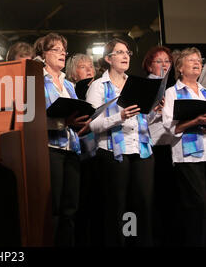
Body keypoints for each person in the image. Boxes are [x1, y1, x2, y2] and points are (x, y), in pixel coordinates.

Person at [85, 38, 154, 247]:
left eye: (128, 52)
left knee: (140, 202)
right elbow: (92, 125)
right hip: (113, 152)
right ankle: (120, 242)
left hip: (141, 150)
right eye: (120, 52)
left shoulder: (136, 84)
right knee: (118, 205)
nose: (125, 56)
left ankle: (135, 241)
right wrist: (119, 117)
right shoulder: (98, 86)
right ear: (108, 59)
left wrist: (154, 111)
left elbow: (143, 120)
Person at [35, 33, 91, 246]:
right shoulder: (36, 80)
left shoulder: (68, 84)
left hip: (71, 148)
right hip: (51, 148)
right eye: (56, 50)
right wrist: (63, 122)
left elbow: (73, 113)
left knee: (71, 207)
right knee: (55, 207)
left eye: (63, 50)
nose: (62, 54)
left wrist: (81, 120)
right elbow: (34, 119)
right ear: (43, 54)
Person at [162, 47, 206, 246]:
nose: (197, 63)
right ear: (180, 67)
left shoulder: (205, 91)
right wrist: (195, 120)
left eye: (199, 60)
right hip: (188, 156)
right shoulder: (173, 92)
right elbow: (170, 127)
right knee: (197, 204)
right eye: (191, 60)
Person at [141, 46, 175, 245]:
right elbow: (140, 117)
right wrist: (156, 111)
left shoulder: (172, 87)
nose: (164, 65)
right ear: (149, 65)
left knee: (169, 194)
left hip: (170, 146)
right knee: (155, 195)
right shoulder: (148, 86)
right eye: (159, 61)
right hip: (153, 145)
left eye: (167, 61)